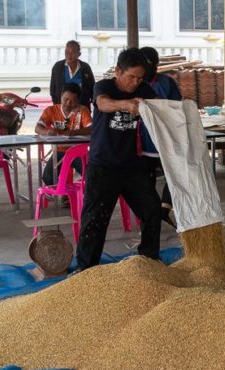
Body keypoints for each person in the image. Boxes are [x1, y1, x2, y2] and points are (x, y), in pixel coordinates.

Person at [75, 47, 161, 271]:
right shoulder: (104, 86)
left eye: (140, 78)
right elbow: (103, 103)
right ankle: (86, 271)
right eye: (131, 77)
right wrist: (126, 104)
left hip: (133, 166)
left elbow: (160, 111)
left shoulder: (145, 91)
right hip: (103, 165)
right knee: (95, 220)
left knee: (152, 210)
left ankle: (149, 261)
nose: (135, 82)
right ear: (118, 71)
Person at [140, 46, 182, 229]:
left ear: (156, 65)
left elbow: (178, 109)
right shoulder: (135, 84)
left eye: (149, 64)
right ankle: (152, 215)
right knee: (145, 182)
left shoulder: (167, 83)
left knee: (175, 175)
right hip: (142, 140)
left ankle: (164, 209)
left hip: (165, 139)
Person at [35, 83, 92, 186]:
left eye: (72, 101)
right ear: (61, 95)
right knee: (48, 177)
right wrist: (47, 132)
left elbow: (92, 128)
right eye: (65, 99)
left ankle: (82, 196)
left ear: (78, 101)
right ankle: (64, 193)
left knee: (91, 176)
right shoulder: (51, 110)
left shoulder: (82, 110)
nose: (68, 103)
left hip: (78, 151)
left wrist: (75, 132)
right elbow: (37, 128)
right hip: (59, 151)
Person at [50, 40, 95, 110]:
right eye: (66, 52)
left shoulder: (85, 67)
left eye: (73, 52)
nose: (69, 55)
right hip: (63, 109)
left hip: (81, 108)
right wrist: (57, 106)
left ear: (79, 54)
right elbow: (53, 89)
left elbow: (92, 88)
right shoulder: (57, 67)